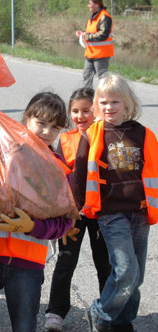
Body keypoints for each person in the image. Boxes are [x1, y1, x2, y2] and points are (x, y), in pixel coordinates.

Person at [0, 90, 73, 332]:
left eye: (55, 127)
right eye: (41, 123)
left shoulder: (60, 171)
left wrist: (32, 227)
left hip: (29, 262)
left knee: (25, 326)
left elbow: (65, 222)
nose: (47, 132)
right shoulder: (1, 154)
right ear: (26, 118)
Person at [72, 74, 157, 332]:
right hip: (111, 213)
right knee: (125, 271)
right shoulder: (92, 134)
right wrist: (75, 209)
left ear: (127, 102)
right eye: (104, 102)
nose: (109, 107)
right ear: (98, 104)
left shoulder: (142, 134)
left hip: (140, 213)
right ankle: (100, 312)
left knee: (137, 276)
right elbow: (78, 175)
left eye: (115, 102)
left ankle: (122, 322)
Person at [44, 88, 111, 331]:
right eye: (75, 111)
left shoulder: (106, 137)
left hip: (101, 213)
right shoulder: (64, 139)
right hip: (71, 214)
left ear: (96, 111)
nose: (81, 115)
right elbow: (55, 176)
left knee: (104, 263)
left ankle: (107, 311)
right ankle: (55, 311)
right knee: (65, 261)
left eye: (86, 110)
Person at [77, 0, 114, 88]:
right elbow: (91, 32)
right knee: (86, 77)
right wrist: (82, 33)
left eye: (90, 3)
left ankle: (107, 99)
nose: (88, 6)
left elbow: (103, 34)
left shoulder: (104, 17)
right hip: (90, 53)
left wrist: (87, 36)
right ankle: (87, 98)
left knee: (103, 79)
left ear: (97, 4)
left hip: (101, 54)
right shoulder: (92, 17)